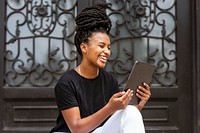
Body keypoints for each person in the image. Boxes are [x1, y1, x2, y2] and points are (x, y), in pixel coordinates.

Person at [50, 3, 151, 133]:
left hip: (98, 131)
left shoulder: (110, 80)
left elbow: (118, 121)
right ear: (84, 47)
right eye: (101, 46)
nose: (107, 52)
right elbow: (76, 128)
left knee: (130, 111)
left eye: (108, 48)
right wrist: (109, 107)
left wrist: (139, 104)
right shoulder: (67, 83)